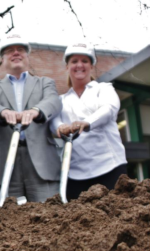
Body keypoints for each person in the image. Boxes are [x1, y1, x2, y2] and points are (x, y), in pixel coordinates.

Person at [0, 33, 62, 202]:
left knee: (49, 218)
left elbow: (53, 101)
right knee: (6, 221)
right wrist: (3, 112)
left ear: (27, 57)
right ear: (2, 59)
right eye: (10, 50)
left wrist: (35, 111)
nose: (16, 53)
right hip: (3, 162)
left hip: (42, 163)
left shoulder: (45, 83)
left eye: (20, 50)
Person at [51, 42, 127, 199]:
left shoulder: (104, 89)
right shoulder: (61, 100)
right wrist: (60, 127)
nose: (79, 65)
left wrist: (86, 123)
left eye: (84, 61)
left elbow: (109, 108)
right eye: (74, 61)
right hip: (75, 173)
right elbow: (53, 121)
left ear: (91, 66)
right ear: (67, 67)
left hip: (110, 166)